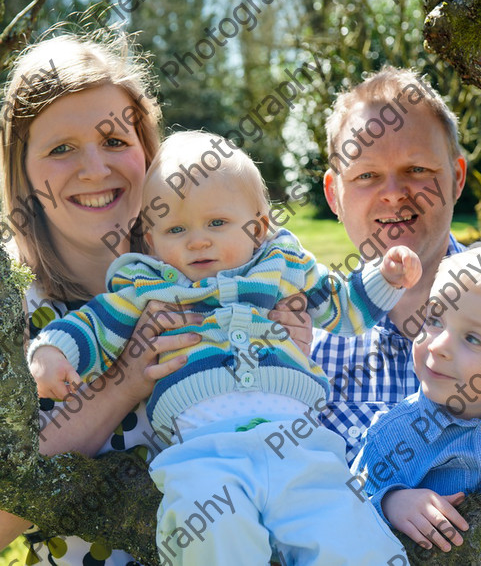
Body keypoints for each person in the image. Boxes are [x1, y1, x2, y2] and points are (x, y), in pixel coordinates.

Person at [28, 130, 419, 565]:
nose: (198, 241)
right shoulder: (149, 287)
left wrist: (384, 277)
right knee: (209, 533)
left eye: (216, 223)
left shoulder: (283, 266)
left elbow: (345, 310)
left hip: (299, 443)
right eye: (177, 229)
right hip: (203, 452)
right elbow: (95, 322)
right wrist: (51, 351)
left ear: (257, 228)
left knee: (346, 532)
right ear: (153, 242)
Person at [0, 31, 312, 564]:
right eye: (61, 148)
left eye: (116, 141)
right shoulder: (16, 313)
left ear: (149, 153)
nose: (95, 168)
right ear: (22, 172)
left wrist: (290, 354)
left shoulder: (221, 270)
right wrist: (122, 381)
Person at [352, 241, 481, 553]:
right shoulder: (397, 436)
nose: (436, 345)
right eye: (435, 319)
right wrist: (393, 501)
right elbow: (346, 503)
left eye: (472, 338)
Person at [311, 65, 468, 463]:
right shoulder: (300, 341)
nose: (394, 194)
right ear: (335, 195)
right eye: (367, 175)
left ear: (456, 178)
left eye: (417, 170)